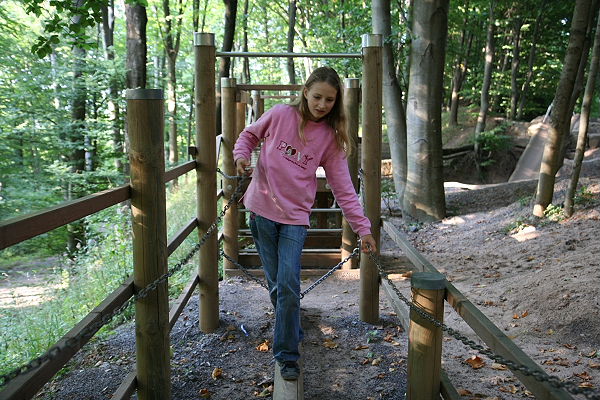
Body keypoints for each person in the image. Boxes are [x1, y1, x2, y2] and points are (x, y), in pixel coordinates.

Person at [233, 66, 377, 381]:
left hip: (295, 219)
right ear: (305, 92)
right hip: (261, 212)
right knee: (278, 285)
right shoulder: (280, 114)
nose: (322, 104)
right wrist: (241, 156)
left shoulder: (330, 139)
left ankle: (287, 355)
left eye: (329, 100)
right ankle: (291, 326)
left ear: (336, 102)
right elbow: (249, 135)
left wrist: (363, 229)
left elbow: (344, 189)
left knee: (287, 283)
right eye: (317, 97)